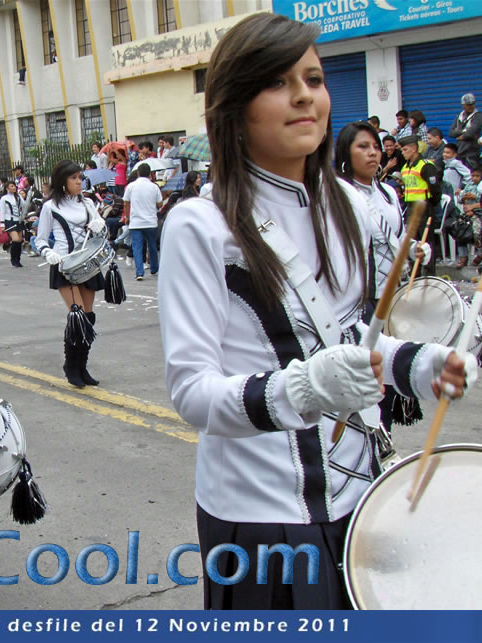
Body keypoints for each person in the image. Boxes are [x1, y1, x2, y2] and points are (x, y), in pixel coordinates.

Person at [157, 13, 476, 610]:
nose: (305, 95)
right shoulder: (199, 224)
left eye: (314, 79)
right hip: (259, 516)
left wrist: (422, 363)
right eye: (277, 82)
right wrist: (303, 388)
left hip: (362, 502)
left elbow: (349, 337)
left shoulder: (348, 206)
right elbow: (192, 392)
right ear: (235, 107)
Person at [335, 121, 431, 429]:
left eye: (376, 147)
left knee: (390, 372)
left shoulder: (388, 193)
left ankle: (385, 434)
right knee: (368, 372)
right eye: (363, 147)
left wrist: (416, 249)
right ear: (345, 154)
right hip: (362, 299)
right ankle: (366, 435)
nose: (373, 153)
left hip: (393, 295)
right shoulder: (338, 194)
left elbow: (398, 238)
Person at [35, 160, 109, 388]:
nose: (79, 182)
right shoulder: (50, 207)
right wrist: (48, 252)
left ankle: (81, 366)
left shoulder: (88, 203)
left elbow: (102, 231)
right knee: (77, 315)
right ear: (62, 181)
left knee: (88, 316)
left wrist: (100, 225)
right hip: (64, 264)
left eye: (80, 177)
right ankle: (71, 366)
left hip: (87, 263)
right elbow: (39, 239)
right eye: (73, 178)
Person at [399, 134, 441, 274]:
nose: (403, 153)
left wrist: (431, 204)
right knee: (413, 240)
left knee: (426, 241)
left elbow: (435, 188)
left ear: (414, 149)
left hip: (424, 207)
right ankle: (414, 274)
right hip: (411, 207)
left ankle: (429, 274)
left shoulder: (425, 166)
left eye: (405, 149)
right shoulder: (406, 167)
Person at [122, 163, 162, 281]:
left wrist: (127, 217)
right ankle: (154, 267)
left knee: (137, 247)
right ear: (149, 174)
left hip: (136, 222)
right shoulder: (154, 187)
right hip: (151, 221)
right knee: (152, 245)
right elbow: (160, 204)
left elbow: (126, 203)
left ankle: (139, 272)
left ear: (138, 173)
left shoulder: (131, 186)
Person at [448, 93, 482, 170]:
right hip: (459, 153)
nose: (471, 106)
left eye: (472, 104)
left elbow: (470, 133)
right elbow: (451, 133)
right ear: (463, 105)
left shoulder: (478, 116)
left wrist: (459, 134)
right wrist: (464, 131)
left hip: (471, 154)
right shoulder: (459, 116)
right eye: (468, 105)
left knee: (471, 174)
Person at [0, 180, 24, 267]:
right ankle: (13, 259)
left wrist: (22, 197)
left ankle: (18, 259)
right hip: (9, 220)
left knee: (19, 240)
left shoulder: (18, 197)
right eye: (11, 186)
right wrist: (2, 224)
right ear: (7, 188)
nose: (14, 188)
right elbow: (2, 212)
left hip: (19, 220)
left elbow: (24, 206)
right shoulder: (4, 198)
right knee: (15, 239)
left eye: (14, 186)